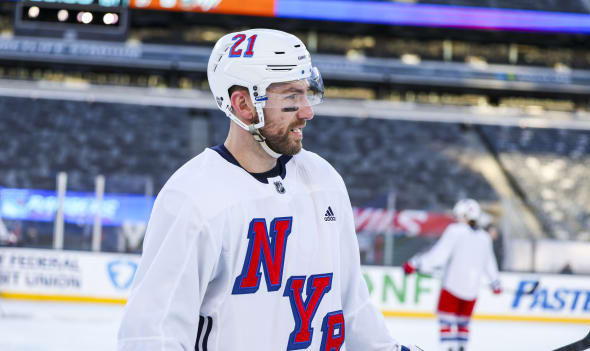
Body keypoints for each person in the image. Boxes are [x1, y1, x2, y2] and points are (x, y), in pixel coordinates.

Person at [117, 28, 423, 351]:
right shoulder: (192, 198)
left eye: (306, 94)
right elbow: (151, 336)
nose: (308, 112)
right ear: (244, 104)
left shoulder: (324, 180)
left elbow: (352, 306)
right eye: (292, 97)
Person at [402, 199, 500, 351]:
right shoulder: (484, 237)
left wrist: (415, 264)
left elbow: (438, 256)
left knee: (446, 320)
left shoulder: (455, 231)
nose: (456, 218)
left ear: (464, 215)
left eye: (458, 215)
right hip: (472, 291)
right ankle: (461, 347)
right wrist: (495, 282)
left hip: (452, 287)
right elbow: (490, 263)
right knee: (463, 323)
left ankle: (449, 347)